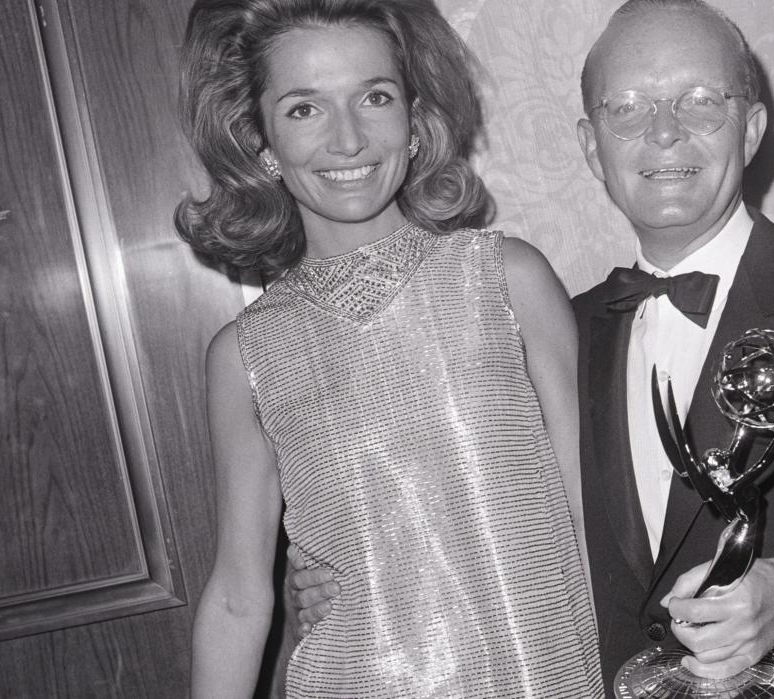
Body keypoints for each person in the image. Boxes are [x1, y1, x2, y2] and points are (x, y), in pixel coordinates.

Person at [292, 0, 774, 696]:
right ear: (591, 147)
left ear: (750, 128)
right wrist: (352, 570)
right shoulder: (547, 339)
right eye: (627, 109)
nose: (665, 132)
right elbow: (482, 523)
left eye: (700, 101)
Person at [176, 0, 602, 696]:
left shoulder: (508, 279)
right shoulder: (245, 353)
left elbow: (595, 517)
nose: (347, 140)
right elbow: (236, 597)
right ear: (262, 147)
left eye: (374, 97)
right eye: (304, 109)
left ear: (414, 121)